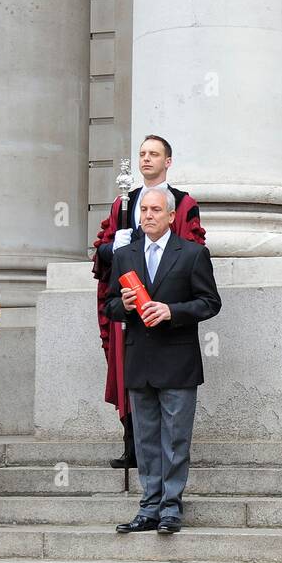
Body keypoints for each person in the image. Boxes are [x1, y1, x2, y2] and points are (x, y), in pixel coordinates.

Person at [105, 186, 221, 534]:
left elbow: (210, 302)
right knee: (145, 440)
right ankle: (148, 507)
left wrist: (172, 311)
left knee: (175, 439)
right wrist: (123, 306)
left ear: (172, 216)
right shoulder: (125, 255)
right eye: (144, 211)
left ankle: (171, 507)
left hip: (178, 362)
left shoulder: (192, 254)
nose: (149, 216)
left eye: (156, 210)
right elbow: (110, 304)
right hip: (139, 361)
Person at [93, 134, 205, 468]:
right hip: (129, 309)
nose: (146, 159)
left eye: (153, 154)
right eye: (142, 154)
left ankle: (166, 482)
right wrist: (113, 247)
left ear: (167, 161)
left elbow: (191, 249)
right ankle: (132, 445)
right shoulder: (123, 203)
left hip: (166, 312)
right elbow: (101, 253)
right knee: (128, 375)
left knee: (169, 405)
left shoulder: (182, 204)